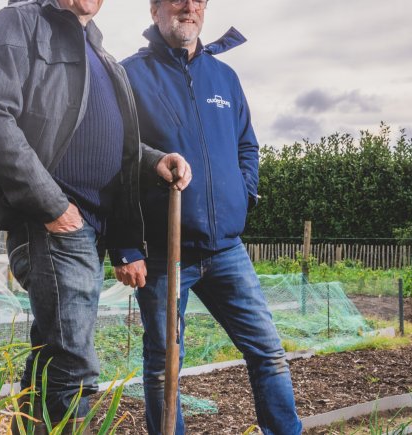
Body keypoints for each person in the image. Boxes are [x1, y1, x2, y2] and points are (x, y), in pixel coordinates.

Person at [0, 0, 191, 431]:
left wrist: (154, 160)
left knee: (52, 361)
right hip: (55, 223)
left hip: (88, 230)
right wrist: (53, 206)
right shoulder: (21, 22)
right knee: (74, 368)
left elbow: (115, 143)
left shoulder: (100, 54)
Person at [111, 0, 302, 433]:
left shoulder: (224, 77)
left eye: (198, 0)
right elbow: (115, 158)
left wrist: (243, 195)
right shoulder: (129, 76)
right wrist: (124, 245)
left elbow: (247, 145)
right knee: (164, 367)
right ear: (155, 10)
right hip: (164, 253)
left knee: (269, 353)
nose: (189, 6)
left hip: (226, 249)